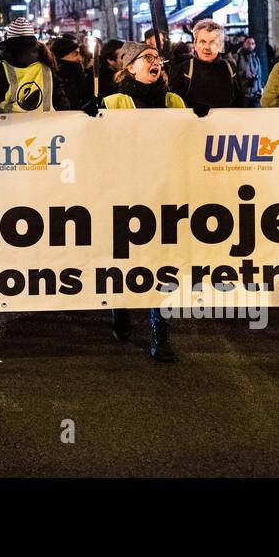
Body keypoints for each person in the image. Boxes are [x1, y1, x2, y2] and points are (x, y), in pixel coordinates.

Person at [92, 41, 180, 361]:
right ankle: (120, 308)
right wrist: (91, 116)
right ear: (129, 67)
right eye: (147, 58)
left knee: (162, 262)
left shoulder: (174, 100)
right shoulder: (113, 101)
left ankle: (160, 330)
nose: (156, 62)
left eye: (158, 58)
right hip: (125, 192)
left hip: (164, 193)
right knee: (125, 257)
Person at [167, 19, 243, 111]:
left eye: (213, 42)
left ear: (219, 46)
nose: (207, 47)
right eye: (203, 42)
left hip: (225, 124)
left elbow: (240, 103)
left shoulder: (230, 68)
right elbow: (175, 107)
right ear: (195, 44)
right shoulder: (183, 70)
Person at [0, 18, 69, 112]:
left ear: (8, 44)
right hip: (46, 125)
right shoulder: (47, 68)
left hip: (11, 125)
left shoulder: (0, 69)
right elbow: (63, 105)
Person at [50, 36, 95, 111]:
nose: (79, 58)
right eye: (75, 54)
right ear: (61, 56)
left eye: (79, 54)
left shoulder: (79, 75)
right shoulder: (53, 79)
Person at [231, 35, 264, 107]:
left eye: (252, 43)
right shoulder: (237, 57)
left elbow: (259, 76)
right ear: (244, 44)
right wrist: (244, 74)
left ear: (255, 45)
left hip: (255, 96)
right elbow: (232, 75)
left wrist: (260, 90)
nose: (250, 45)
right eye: (248, 43)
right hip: (242, 96)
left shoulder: (256, 59)